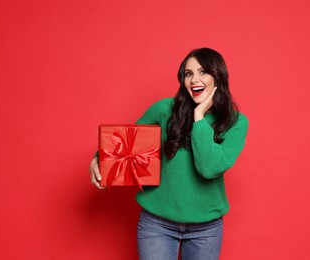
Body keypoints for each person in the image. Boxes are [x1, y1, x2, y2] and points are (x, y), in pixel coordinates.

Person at [90, 47, 249, 260]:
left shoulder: (236, 123)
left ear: (218, 76)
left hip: (206, 230)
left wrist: (199, 117)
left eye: (203, 72)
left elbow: (209, 168)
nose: (194, 79)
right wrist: (98, 159)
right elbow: (126, 141)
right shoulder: (164, 110)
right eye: (188, 73)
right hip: (157, 224)